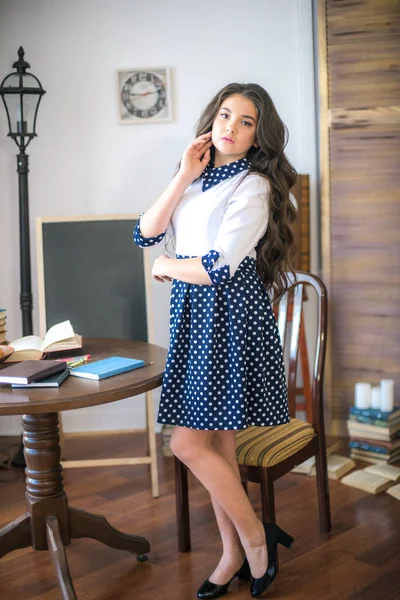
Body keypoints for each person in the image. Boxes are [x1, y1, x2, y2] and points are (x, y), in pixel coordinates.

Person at [133, 82, 298, 599]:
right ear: (212, 119)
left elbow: (220, 265)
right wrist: (184, 173)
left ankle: (254, 540)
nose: (230, 126)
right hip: (195, 312)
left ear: (258, 135)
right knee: (218, 446)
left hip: (227, 314)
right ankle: (235, 553)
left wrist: (165, 265)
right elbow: (144, 231)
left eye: (245, 121)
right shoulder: (199, 177)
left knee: (186, 443)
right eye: (226, 115)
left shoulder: (254, 185)